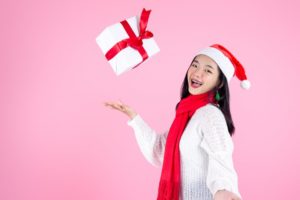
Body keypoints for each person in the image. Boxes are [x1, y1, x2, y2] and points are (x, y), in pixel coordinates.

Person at [104, 44, 250, 200]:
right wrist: (133, 116)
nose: (197, 73)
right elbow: (159, 151)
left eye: (208, 70)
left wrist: (224, 190)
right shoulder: (186, 114)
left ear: (219, 83)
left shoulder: (210, 115)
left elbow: (221, 156)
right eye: (195, 65)